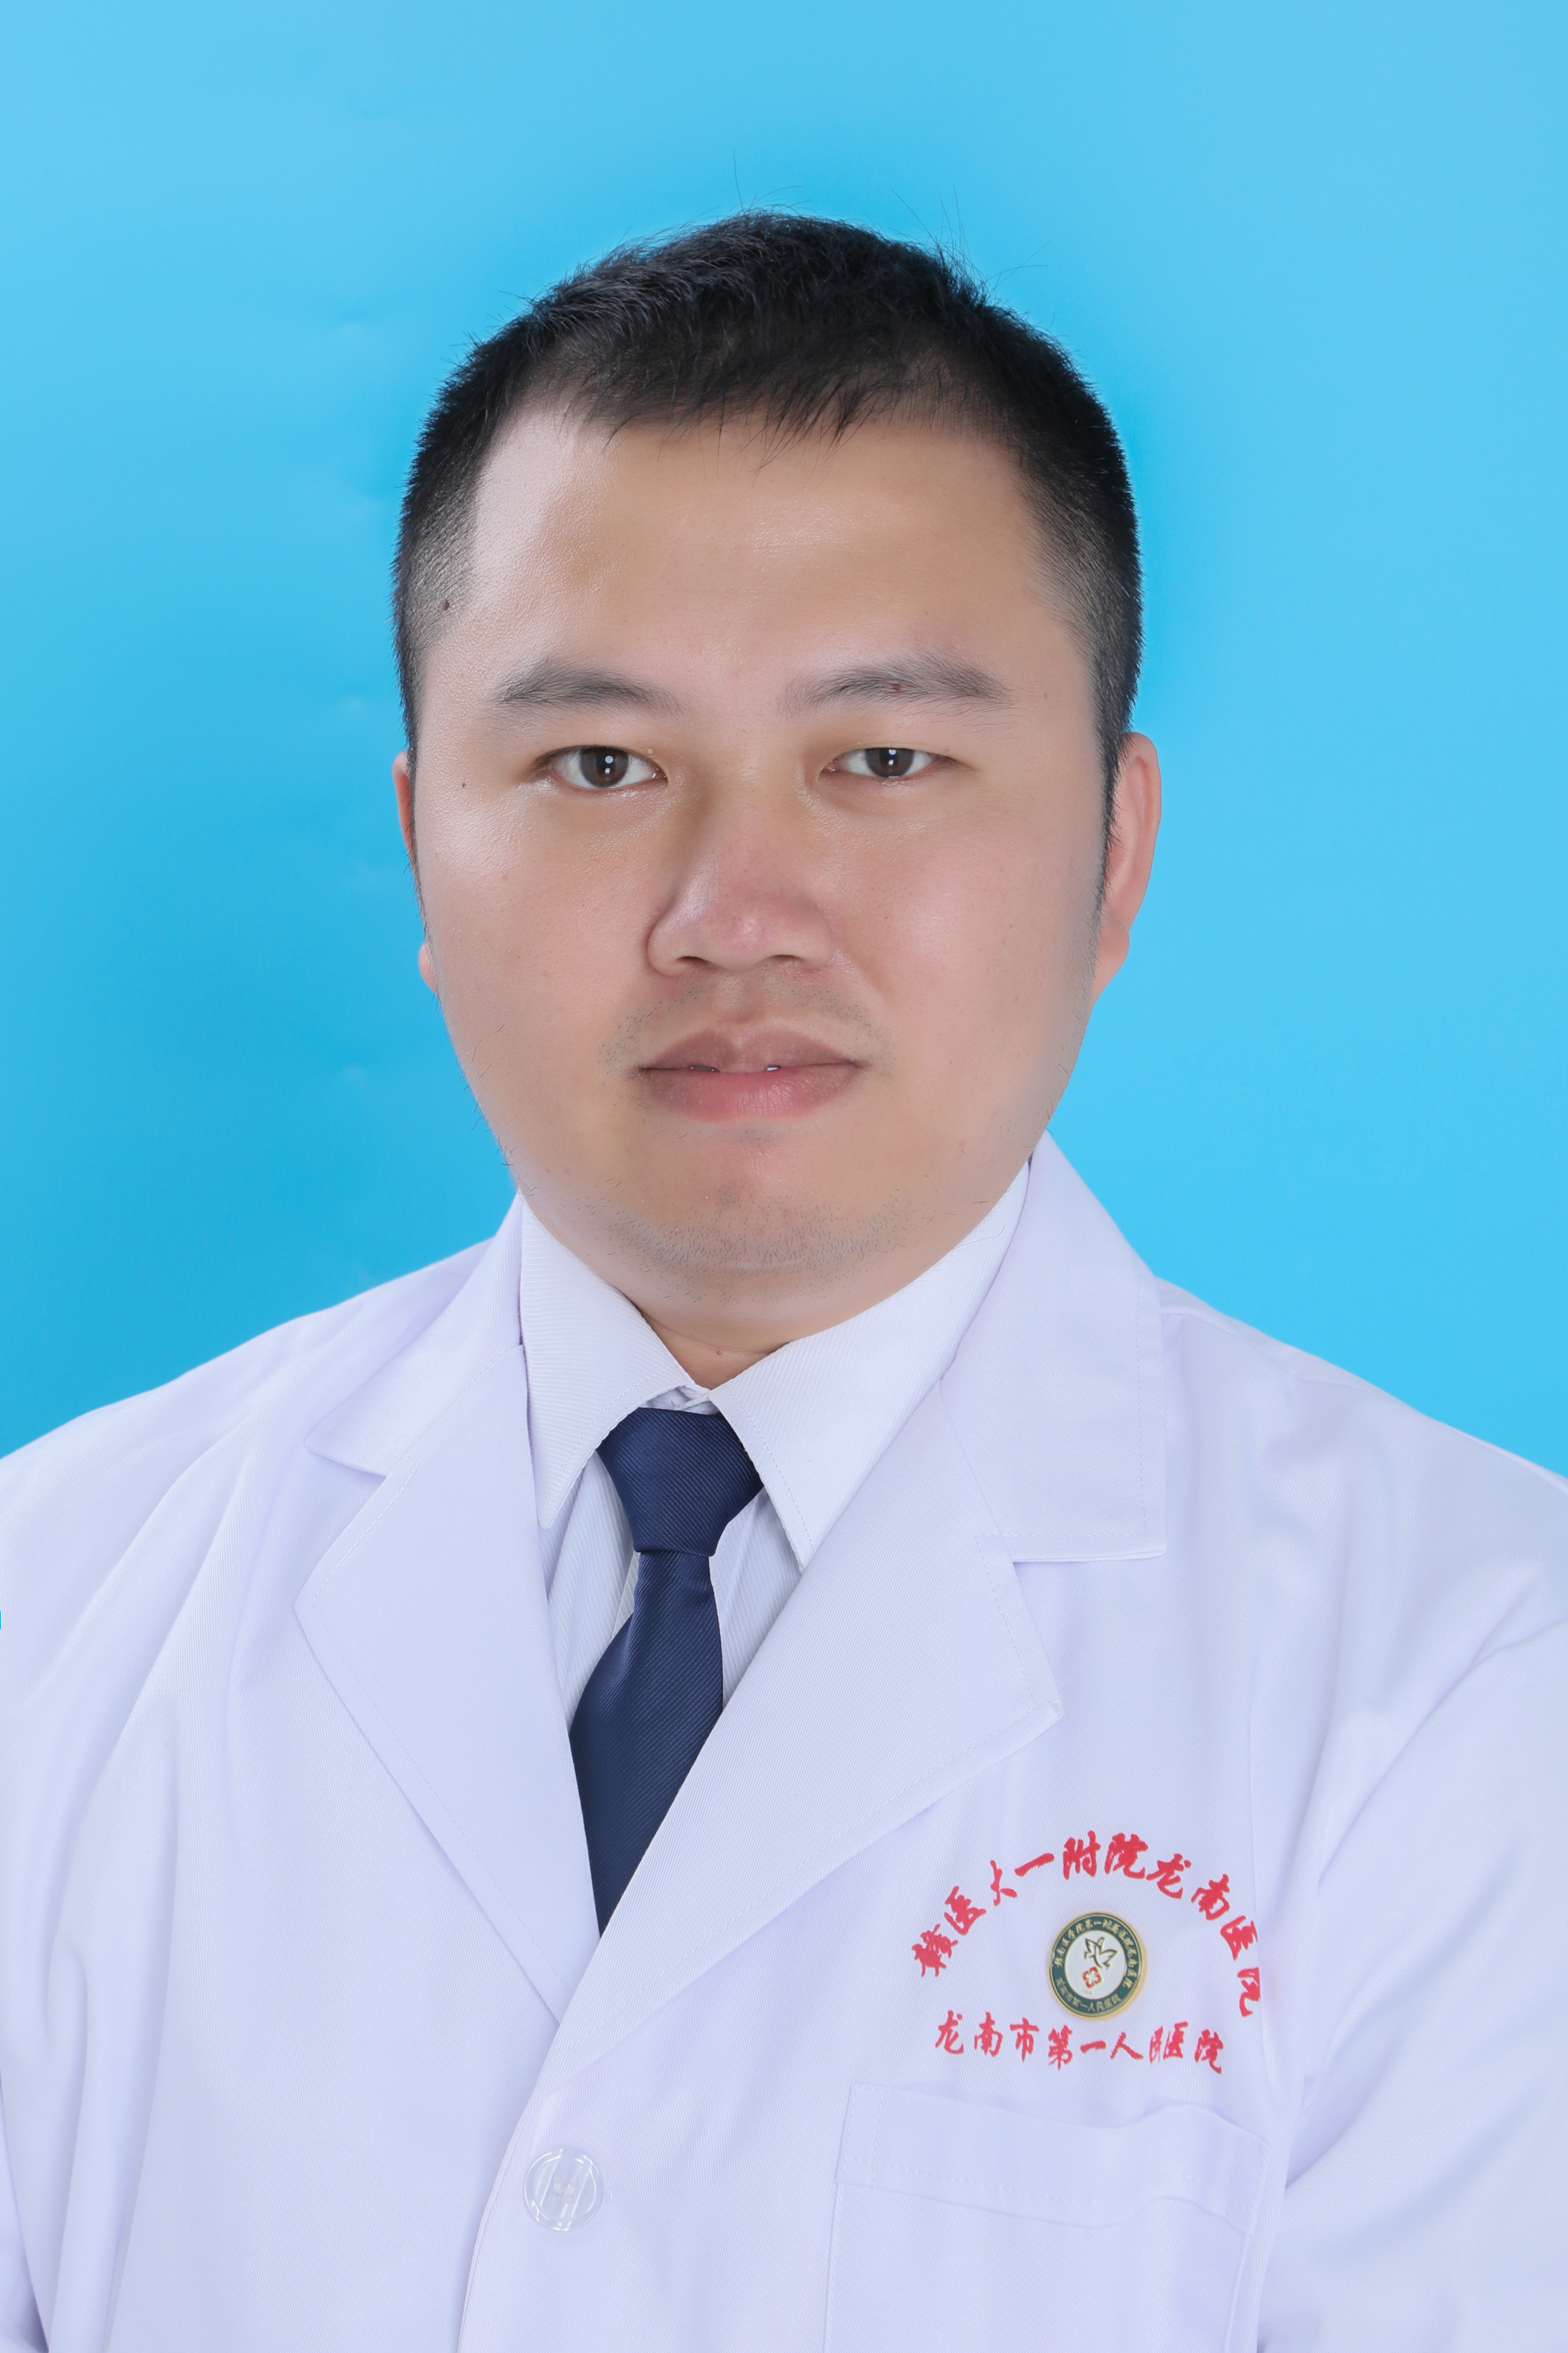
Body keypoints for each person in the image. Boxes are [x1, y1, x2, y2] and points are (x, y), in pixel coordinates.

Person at [0, 214, 1563, 2353]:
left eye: (884, 761)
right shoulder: (52, 1602)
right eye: (602, 768)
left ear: (1115, 852)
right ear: (422, 843)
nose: (738, 914)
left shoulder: (1474, 1673)